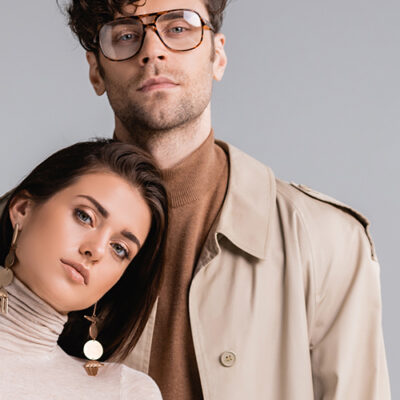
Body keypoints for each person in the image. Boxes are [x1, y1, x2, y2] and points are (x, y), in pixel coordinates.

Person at [49, 0, 390, 398]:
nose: (152, 51)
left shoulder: (328, 240)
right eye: (126, 35)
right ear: (96, 70)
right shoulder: (26, 226)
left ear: (218, 55)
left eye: (179, 28)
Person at [0, 139, 167, 399]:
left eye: (119, 249)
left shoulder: (124, 392)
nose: (96, 250)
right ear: (23, 209)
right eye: (85, 216)